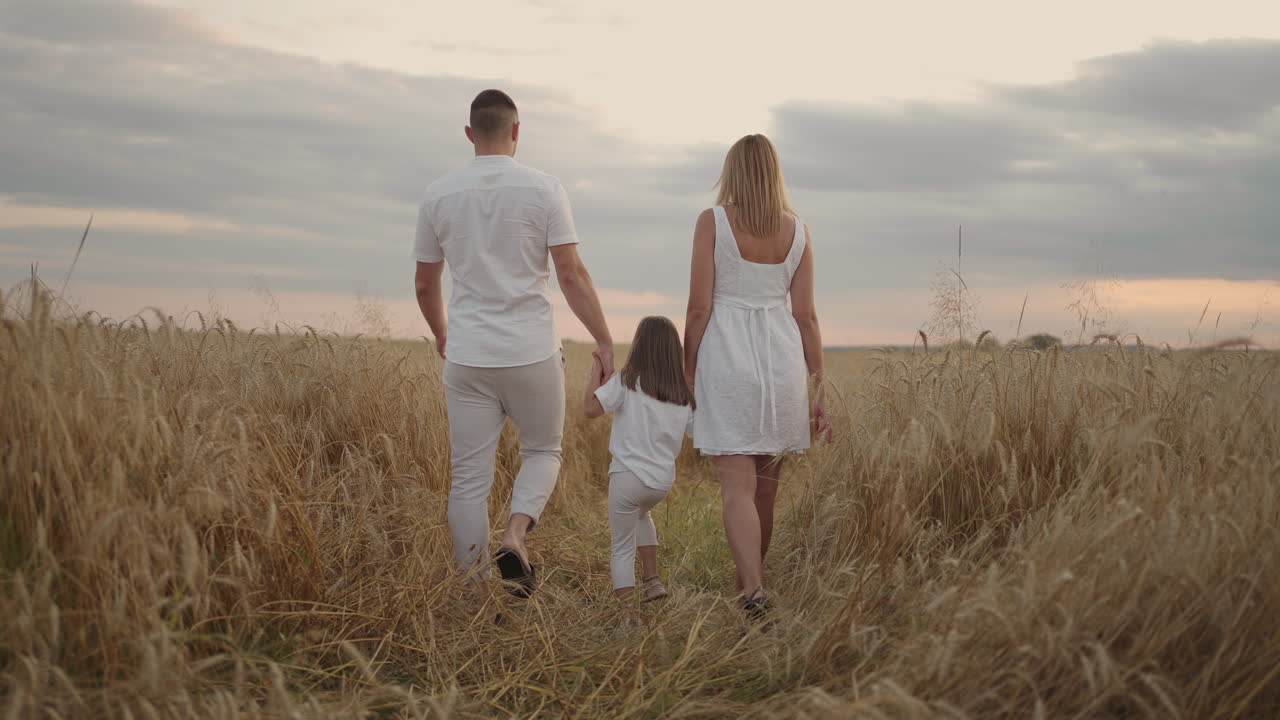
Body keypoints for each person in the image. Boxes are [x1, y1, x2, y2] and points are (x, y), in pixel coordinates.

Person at [413, 89, 614, 597]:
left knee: (468, 481)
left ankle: (477, 594)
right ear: (517, 131)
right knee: (544, 450)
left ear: (468, 134)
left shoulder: (438, 194)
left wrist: (442, 332)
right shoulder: (545, 189)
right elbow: (570, 273)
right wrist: (604, 339)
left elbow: (424, 283)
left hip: (467, 355)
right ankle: (515, 535)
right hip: (531, 351)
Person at [682, 134, 831, 616]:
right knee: (766, 487)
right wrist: (819, 382)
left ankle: (751, 590)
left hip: (727, 354)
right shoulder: (799, 232)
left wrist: (688, 369)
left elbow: (699, 306)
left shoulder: (713, 222)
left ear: (733, 172)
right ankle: (754, 585)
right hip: (782, 358)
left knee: (737, 487)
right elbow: (806, 316)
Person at [584, 316, 694, 603]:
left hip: (627, 477)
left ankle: (627, 618)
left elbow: (590, 409)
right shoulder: (682, 393)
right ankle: (652, 580)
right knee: (642, 514)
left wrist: (597, 370)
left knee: (621, 546)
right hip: (661, 483)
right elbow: (698, 432)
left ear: (639, 345)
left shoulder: (627, 379)